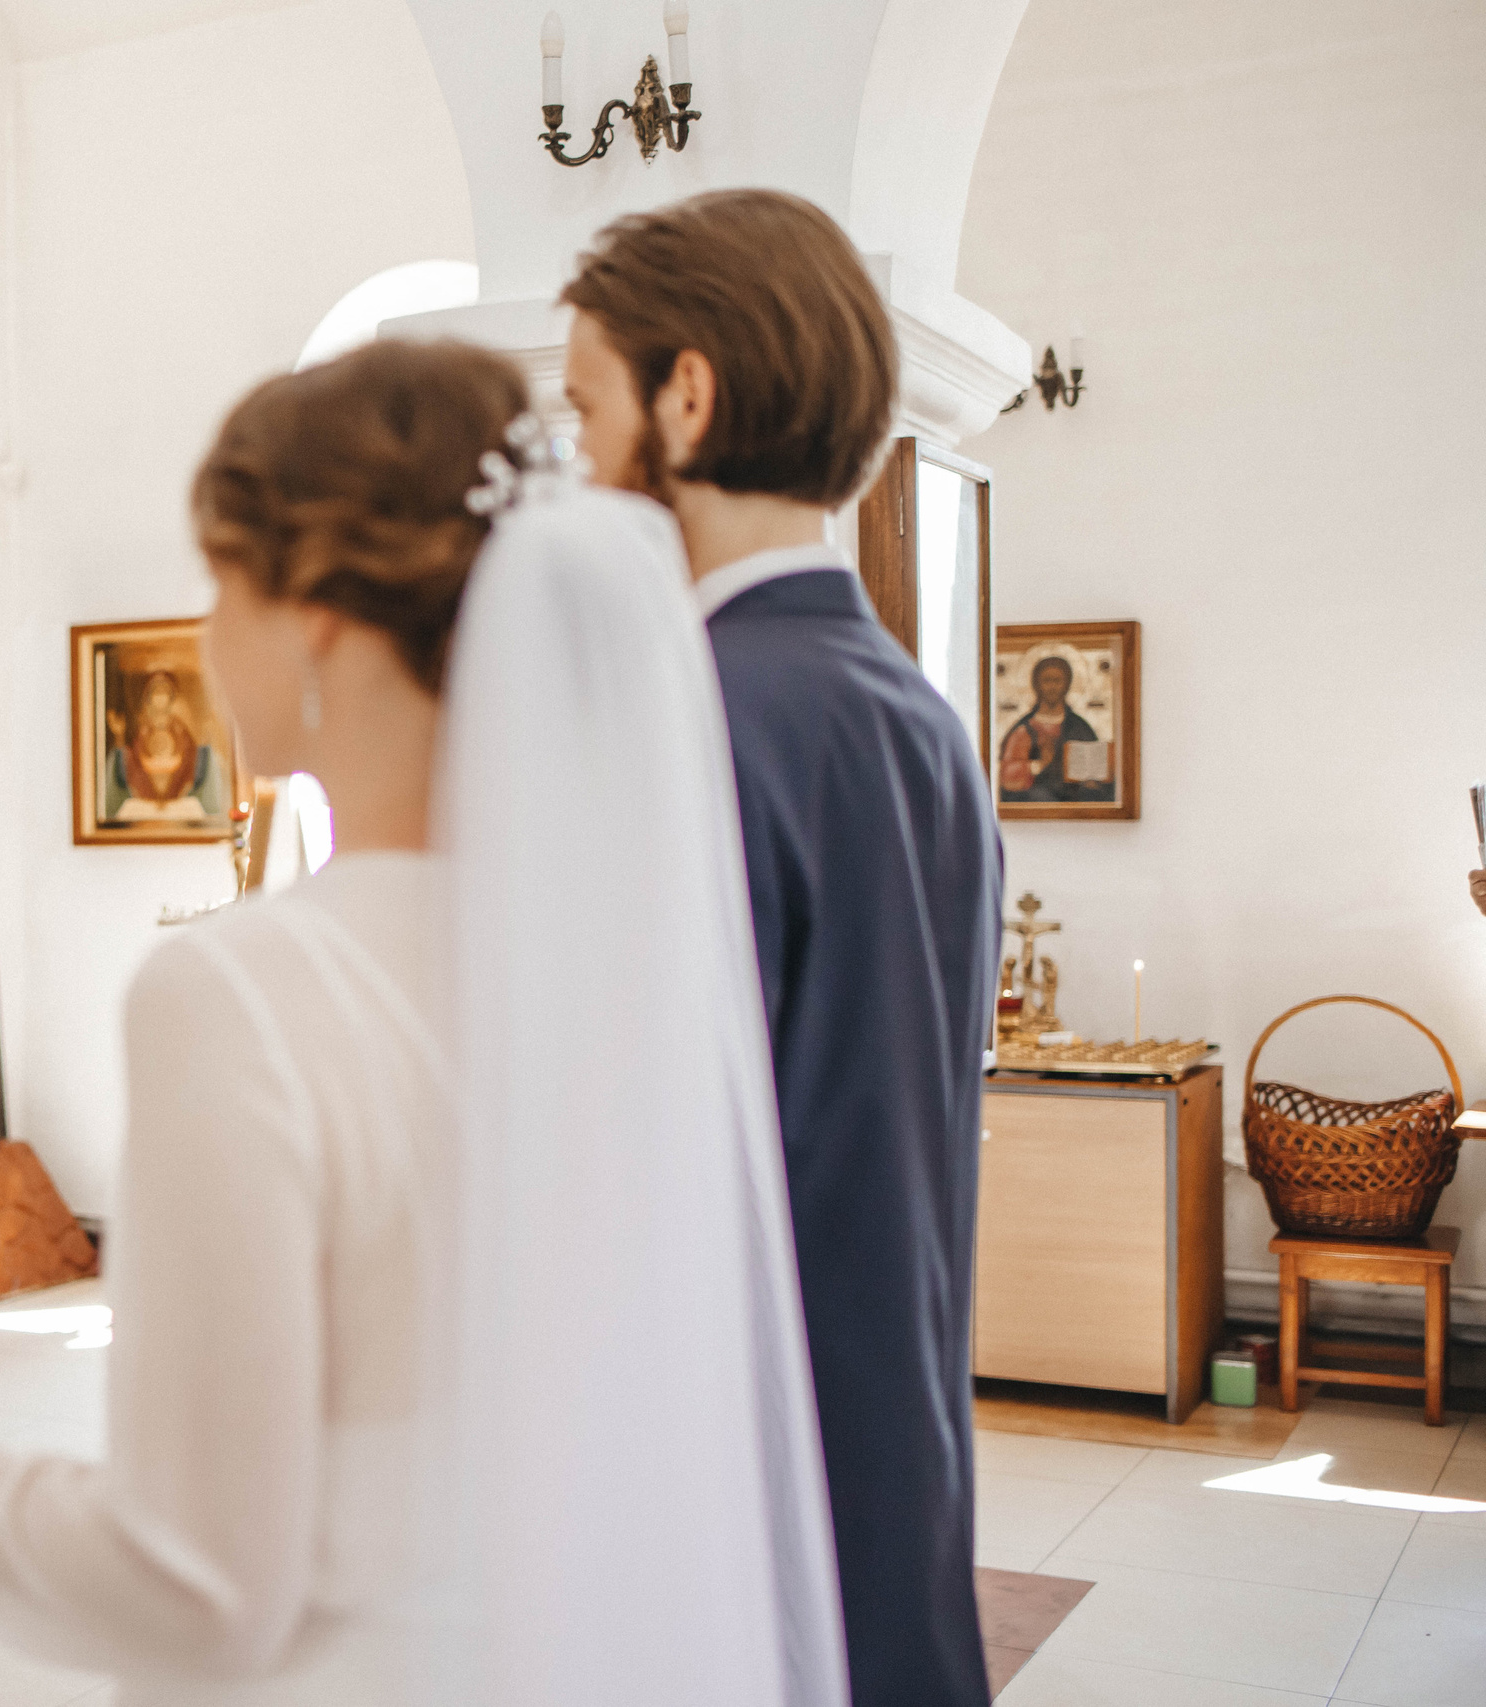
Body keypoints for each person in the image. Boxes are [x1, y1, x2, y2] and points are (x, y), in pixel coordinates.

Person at [0, 339, 847, 1706]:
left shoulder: (246, 990)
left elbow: (191, 1582)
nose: (210, 639)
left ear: (320, 615)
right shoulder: (637, 954)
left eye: (224, 582)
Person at [563, 189, 1004, 1707]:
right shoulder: (921, 719)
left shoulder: (688, 714)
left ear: (685, 395)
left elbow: (631, 1180)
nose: (573, 455)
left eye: (582, 406)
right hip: (896, 1454)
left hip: (734, 1496)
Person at [998, 654, 1107, 801]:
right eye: (1046, 680)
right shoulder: (1024, 729)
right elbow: (1007, 774)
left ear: (1067, 684)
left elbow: (1096, 769)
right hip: (1036, 798)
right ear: (1037, 684)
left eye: (1058, 680)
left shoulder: (1079, 726)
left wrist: (1094, 779)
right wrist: (1037, 765)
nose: (1052, 687)